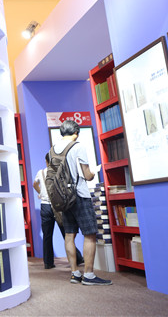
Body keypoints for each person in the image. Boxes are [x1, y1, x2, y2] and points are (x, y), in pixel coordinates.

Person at [52, 120, 111, 286]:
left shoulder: (53, 149)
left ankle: (74, 273)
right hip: (79, 195)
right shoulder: (78, 146)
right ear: (76, 133)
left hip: (63, 198)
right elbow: (87, 175)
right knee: (90, 234)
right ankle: (89, 275)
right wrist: (94, 172)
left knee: (69, 234)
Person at [34, 153, 84, 269]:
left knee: (47, 235)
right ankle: (77, 258)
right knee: (66, 234)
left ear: (46, 161)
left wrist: (41, 193)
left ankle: (48, 263)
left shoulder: (41, 172)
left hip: (45, 206)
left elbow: (34, 184)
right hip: (58, 206)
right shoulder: (59, 172)